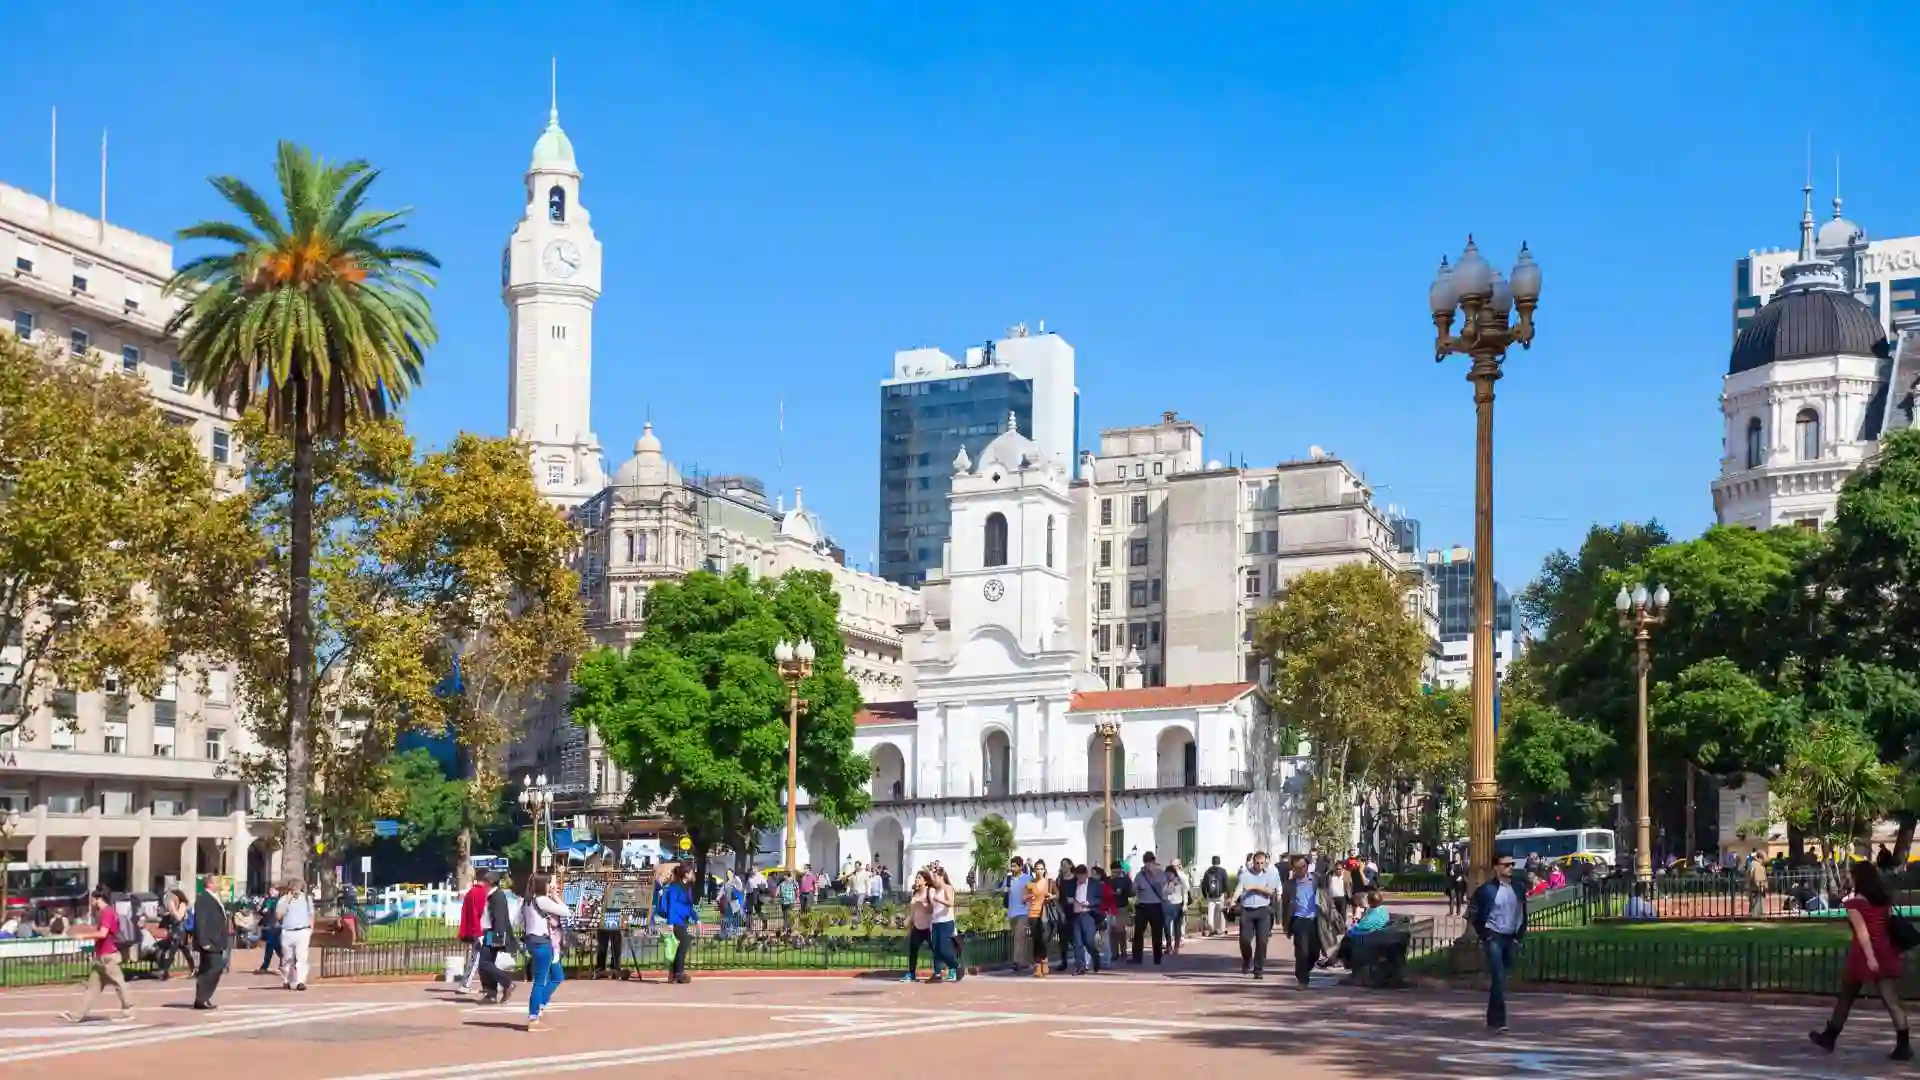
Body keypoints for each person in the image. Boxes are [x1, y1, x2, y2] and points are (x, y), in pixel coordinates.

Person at [1811, 860, 1911, 1060]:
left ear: (1858, 878)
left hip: (1864, 954)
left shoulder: (1854, 903)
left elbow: (1862, 933)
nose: (1849, 877)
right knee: (1891, 1000)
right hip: (1886, 950)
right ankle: (1904, 1044)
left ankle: (1830, 1037)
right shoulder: (1884, 900)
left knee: (1846, 997)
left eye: (1851, 874)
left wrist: (1871, 958)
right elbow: (1889, 926)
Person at [1467, 852, 1529, 1033]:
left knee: (1500, 980)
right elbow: (1472, 915)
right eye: (1505, 865)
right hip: (1494, 937)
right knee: (1499, 977)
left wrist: (1519, 936)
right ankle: (1498, 1021)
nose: (1509, 868)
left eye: (1511, 864)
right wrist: (1485, 935)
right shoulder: (1486, 890)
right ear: (1496, 867)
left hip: (1510, 938)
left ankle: (1492, 1018)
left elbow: (1522, 913)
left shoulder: (1517, 888)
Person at [61, 886, 134, 1024]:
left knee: (119, 983)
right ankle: (77, 1015)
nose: (91, 902)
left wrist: (84, 936)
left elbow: (103, 933)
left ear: (98, 899)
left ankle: (128, 1010)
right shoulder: (103, 913)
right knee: (92, 989)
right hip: (101, 957)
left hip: (108, 956)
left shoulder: (107, 912)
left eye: (92, 899)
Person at [520, 873, 574, 1031]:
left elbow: (518, 920)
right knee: (540, 981)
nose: (551, 886)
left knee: (553, 977)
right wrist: (556, 897)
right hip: (542, 942)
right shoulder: (542, 900)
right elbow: (567, 911)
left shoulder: (527, 901)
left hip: (532, 941)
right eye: (549, 883)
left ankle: (538, 1008)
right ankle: (533, 1017)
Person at [1234, 851, 1281, 980]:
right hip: (1247, 911)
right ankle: (1247, 959)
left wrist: (1253, 887)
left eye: (1262, 863)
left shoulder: (1269, 875)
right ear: (1253, 862)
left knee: (1262, 942)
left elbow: (1270, 891)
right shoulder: (1245, 875)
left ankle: (1258, 969)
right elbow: (1239, 889)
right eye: (1257, 863)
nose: (1259, 865)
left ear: (1265, 863)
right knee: (1244, 940)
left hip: (1263, 911)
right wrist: (1232, 900)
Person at [475, 873, 519, 1004]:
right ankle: (491, 993)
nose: (482, 884)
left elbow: (499, 918)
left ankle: (506, 983)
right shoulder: (491, 896)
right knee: (485, 964)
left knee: (484, 963)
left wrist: (497, 937)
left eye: (484, 882)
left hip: (494, 933)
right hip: (489, 932)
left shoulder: (497, 896)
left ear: (490, 883)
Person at [1281, 854, 1322, 989]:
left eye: (1303, 866)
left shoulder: (1316, 879)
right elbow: (1285, 905)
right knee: (1302, 951)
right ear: (1293, 868)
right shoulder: (1289, 885)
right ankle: (1302, 980)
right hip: (1299, 920)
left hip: (1315, 919)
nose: (1301, 870)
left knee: (1315, 952)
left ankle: (1306, 968)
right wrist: (1285, 926)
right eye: (1297, 867)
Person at [659, 862, 699, 984]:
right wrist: (670, 923)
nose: (693, 875)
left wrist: (697, 918)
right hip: (676, 921)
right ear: (686, 874)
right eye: (692, 872)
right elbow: (672, 906)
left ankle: (673, 973)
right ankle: (678, 973)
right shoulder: (674, 887)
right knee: (683, 945)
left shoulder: (687, 888)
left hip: (683, 920)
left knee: (679, 947)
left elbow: (689, 906)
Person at [192, 886, 230, 1009]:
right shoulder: (204, 899)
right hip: (210, 941)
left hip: (217, 940)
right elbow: (200, 921)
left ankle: (202, 999)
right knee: (215, 967)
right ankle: (203, 997)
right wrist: (203, 941)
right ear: (210, 884)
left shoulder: (215, 898)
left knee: (207, 968)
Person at [1332, 891, 1391, 969]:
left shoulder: (1374, 914)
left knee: (1348, 937)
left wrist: (1354, 925)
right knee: (1349, 936)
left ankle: (1341, 960)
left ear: (1370, 902)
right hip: (1376, 932)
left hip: (1371, 935)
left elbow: (1362, 925)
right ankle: (1338, 959)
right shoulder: (1382, 910)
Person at [1065, 863, 1105, 975]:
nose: (1080, 879)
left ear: (1086, 875)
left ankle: (1095, 957)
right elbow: (1066, 895)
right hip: (1076, 915)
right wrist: (1069, 901)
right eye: (1078, 876)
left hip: (1088, 915)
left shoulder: (1095, 884)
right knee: (1077, 942)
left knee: (1088, 941)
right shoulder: (1073, 884)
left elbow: (1100, 900)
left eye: (1082, 876)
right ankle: (1080, 966)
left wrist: (1089, 903)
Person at [277, 879, 315, 991]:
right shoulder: (283, 900)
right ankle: (287, 979)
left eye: (297, 889)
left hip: (302, 931)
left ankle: (300, 981)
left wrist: (311, 928)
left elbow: (311, 914)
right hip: (288, 931)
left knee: (301, 957)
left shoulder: (307, 899)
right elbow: (279, 915)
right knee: (287, 958)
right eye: (293, 890)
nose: (295, 892)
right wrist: (287, 901)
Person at [455, 875, 490, 993]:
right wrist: (479, 932)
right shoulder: (480, 893)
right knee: (478, 957)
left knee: (479, 957)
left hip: (476, 929)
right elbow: (478, 914)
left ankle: (484, 984)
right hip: (481, 930)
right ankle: (466, 983)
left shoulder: (472, 892)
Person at [901, 870, 935, 982]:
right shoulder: (915, 893)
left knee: (935, 949)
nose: (917, 880)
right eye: (916, 878)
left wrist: (923, 904)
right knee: (913, 950)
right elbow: (913, 912)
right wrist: (908, 923)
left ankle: (941, 970)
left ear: (925, 881)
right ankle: (911, 974)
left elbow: (932, 910)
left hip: (928, 927)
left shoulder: (929, 892)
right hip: (917, 926)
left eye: (919, 878)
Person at [928, 866, 961, 982]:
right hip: (935, 922)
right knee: (936, 949)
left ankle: (955, 966)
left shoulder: (947, 888)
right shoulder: (933, 890)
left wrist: (939, 900)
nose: (933, 879)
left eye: (935, 877)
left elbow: (951, 903)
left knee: (943, 948)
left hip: (946, 922)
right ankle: (937, 973)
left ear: (941, 876)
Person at [1023, 860, 1054, 977]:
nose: (1039, 871)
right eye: (1037, 868)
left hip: (1045, 913)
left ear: (1044, 870)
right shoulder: (1030, 883)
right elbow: (1023, 897)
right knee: (1036, 940)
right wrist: (1028, 897)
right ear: (1034, 870)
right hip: (1033, 913)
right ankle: (1038, 967)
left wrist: (1052, 896)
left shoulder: (1049, 883)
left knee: (1044, 939)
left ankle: (1044, 961)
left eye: (1041, 868)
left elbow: (1057, 894)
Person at [255, 884, 283, 975]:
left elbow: (277, 913)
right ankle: (283, 961)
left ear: (277, 892)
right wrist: (261, 909)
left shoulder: (278, 901)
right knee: (274, 945)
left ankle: (265, 966)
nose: (271, 891)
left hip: (275, 925)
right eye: (270, 889)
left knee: (271, 945)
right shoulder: (267, 899)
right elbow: (261, 911)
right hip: (267, 925)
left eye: (273, 890)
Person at [1162, 861, 1187, 956]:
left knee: (1177, 926)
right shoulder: (1165, 882)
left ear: (1174, 873)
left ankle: (1176, 946)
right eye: (1167, 874)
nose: (1168, 876)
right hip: (1167, 905)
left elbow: (1185, 893)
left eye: (1170, 874)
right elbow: (1163, 893)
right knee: (1166, 926)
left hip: (1177, 905)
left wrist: (1185, 904)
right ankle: (1169, 945)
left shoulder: (1180, 881)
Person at [1200, 856, 1229, 937]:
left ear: (1212, 862)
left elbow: (1204, 884)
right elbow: (1226, 884)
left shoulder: (1208, 871)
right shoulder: (1223, 871)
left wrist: (1205, 895)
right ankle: (1221, 929)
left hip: (1210, 895)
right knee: (1221, 912)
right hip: (1220, 895)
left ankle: (1211, 929)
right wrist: (1228, 895)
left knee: (1211, 912)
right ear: (1219, 862)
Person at [1746, 852, 1769, 918]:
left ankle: (1754, 917)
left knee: (1754, 906)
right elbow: (1757, 878)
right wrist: (1762, 886)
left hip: (1753, 888)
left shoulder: (1753, 864)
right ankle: (1755, 919)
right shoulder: (1757, 866)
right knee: (1757, 907)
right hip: (1757, 889)